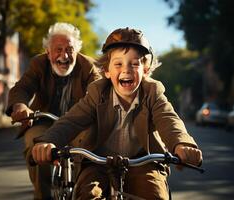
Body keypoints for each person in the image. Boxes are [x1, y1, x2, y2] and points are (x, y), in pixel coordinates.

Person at [31, 27, 203, 199]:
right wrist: (48, 140)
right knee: (87, 194)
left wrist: (182, 144)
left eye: (134, 64)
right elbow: (71, 121)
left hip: (143, 162)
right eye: (118, 64)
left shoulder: (152, 93)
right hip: (97, 163)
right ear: (107, 71)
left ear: (146, 70)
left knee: (155, 194)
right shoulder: (97, 93)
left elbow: (169, 120)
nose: (126, 70)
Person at [5, 22, 101, 200]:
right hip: (44, 122)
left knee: (89, 148)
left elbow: (98, 93)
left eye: (69, 49)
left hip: (77, 124)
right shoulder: (38, 64)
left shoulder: (89, 67)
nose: (64, 56)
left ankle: (85, 192)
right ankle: (43, 196)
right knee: (36, 146)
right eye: (58, 49)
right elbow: (23, 88)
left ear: (77, 50)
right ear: (48, 52)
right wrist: (20, 105)